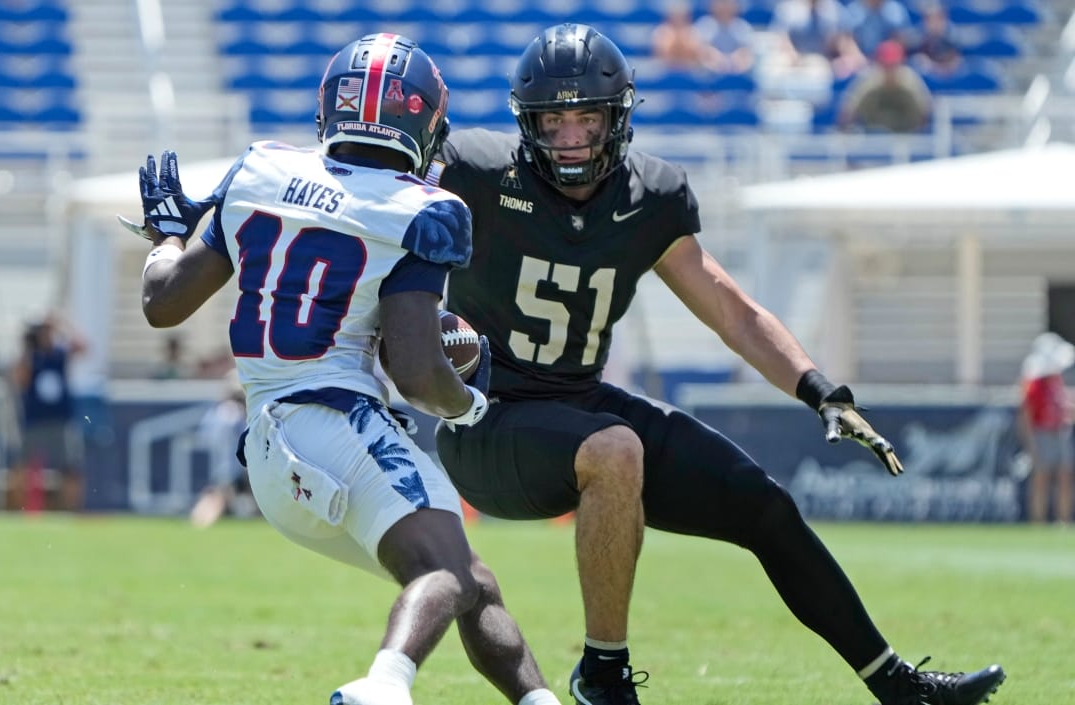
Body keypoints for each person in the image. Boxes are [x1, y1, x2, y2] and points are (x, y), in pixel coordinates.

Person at [422, 23, 1005, 705]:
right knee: (616, 449)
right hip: (487, 422)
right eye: (554, 119)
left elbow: (730, 307)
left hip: (578, 404)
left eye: (588, 118)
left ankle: (898, 685)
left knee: (761, 501)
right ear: (528, 122)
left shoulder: (651, 196)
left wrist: (820, 390)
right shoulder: (475, 172)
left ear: (620, 117)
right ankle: (603, 677)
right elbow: (374, 207)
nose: (572, 137)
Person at [132, 33, 562, 705]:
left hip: (270, 456)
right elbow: (417, 369)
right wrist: (470, 402)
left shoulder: (259, 171)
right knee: (446, 565)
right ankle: (384, 685)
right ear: (426, 122)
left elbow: (164, 300)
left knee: (467, 577)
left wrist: (167, 233)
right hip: (340, 426)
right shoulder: (425, 209)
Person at [5, 314, 86, 512]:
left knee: (71, 470)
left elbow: (83, 348)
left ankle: (72, 510)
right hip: (35, 422)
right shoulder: (30, 358)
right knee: (21, 469)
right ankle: (20, 511)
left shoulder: (59, 354)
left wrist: (63, 325)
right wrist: (26, 348)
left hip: (60, 421)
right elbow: (18, 379)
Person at [1018, 332, 1075, 524]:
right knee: (1041, 477)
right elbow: (1026, 414)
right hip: (1042, 432)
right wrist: (1031, 444)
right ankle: (1038, 520)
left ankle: (1063, 520)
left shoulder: (1058, 380)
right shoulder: (1034, 385)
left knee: (1065, 476)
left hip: (1060, 432)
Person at [188, 370, 257, 528]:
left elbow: (204, 435)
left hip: (219, 462)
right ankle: (202, 520)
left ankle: (201, 519)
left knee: (222, 492)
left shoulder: (217, 411)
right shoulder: (237, 412)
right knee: (222, 494)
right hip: (235, 463)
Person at [837, 39, 932, 133]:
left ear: (901, 63)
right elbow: (847, 112)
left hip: (906, 137)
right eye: (886, 65)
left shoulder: (910, 80)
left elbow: (926, 112)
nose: (889, 69)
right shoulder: (868, 79)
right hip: (873, 137)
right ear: (879, 63)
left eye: (893, 65)